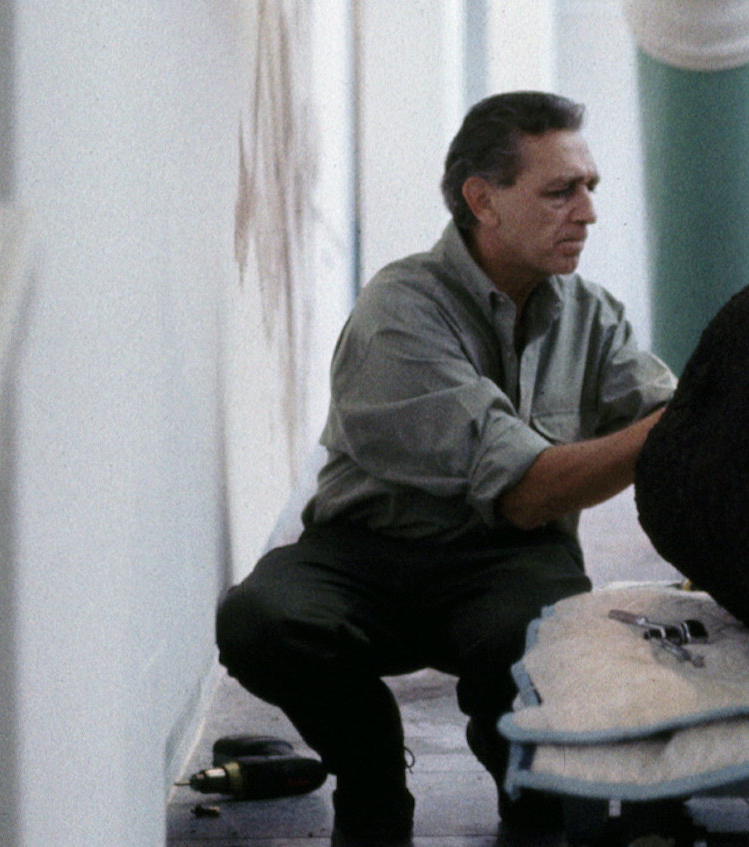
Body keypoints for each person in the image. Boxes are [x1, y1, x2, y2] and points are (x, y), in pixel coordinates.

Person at [214, 91, 676, 845]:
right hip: (368, 555)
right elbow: (526, 491)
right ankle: (370, 777)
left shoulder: (591, 314)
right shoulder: (400, 311)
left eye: (591, 188)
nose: (587, 211)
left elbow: (672, 421)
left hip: (509, 562)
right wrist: (673, 429)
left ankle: (533, 790)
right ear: (481, 201)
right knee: (260, 619)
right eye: (562, 190)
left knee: (549, 644)